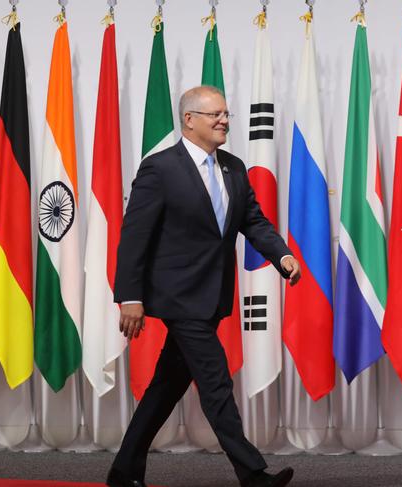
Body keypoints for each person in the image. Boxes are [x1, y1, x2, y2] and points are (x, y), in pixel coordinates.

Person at [107, 85, 300, 487]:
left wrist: (282, 256)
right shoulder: (159, 168)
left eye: (226, 113)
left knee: (165, 387)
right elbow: (134, 236)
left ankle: (123, 472)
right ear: (189, 120)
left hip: (212, 296)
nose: (224, 120)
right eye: (215, 114)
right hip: (178, 298)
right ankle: (253, 474)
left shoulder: (234, 166)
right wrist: (130, 296)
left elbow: (253, 221)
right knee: (215, 381)